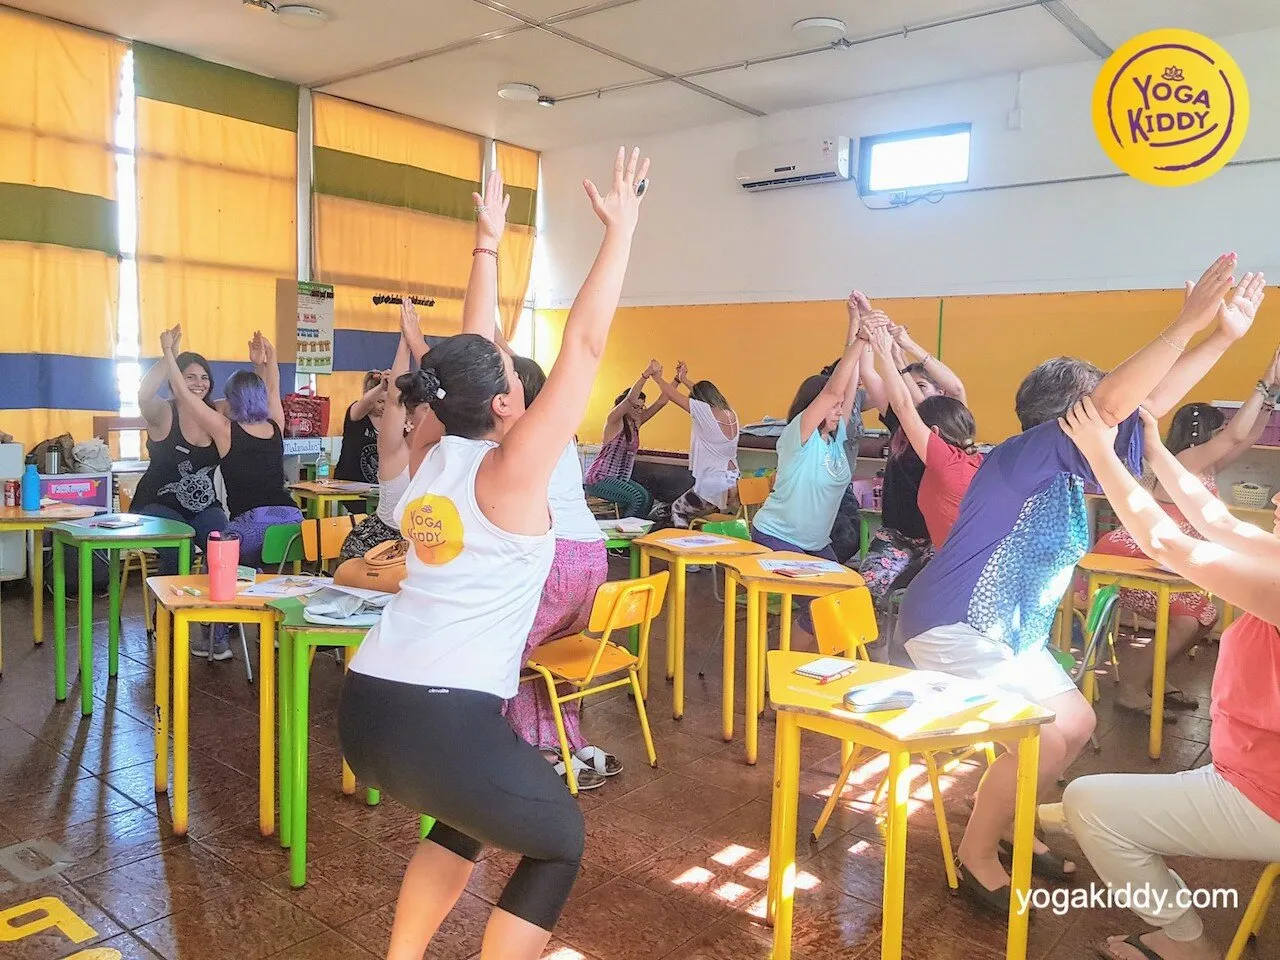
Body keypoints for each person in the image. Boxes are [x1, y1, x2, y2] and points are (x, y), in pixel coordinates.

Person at [337, 146, 650, 960]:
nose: (515, 367)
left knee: (466, 822)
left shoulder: (430, 460)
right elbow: (581, 347)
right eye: (513, 371)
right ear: (509, 402)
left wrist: (486, 242)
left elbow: (473, 351)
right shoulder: (514, 474)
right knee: (558, 840)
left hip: (368, 708)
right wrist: (620, 235)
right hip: (441, 718)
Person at [895, 254, 1259, 910]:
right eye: (1100, 404)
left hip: (1008, 635)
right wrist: (1185, 324)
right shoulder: (1023, 455)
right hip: (954, 624)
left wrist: (1222, 337)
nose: (1115, 417)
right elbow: (1124, 401)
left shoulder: (1073, 471)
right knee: (1042, 731)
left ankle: (1012, 826)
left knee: (1078, 719)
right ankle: (977, 854)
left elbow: (1145, 407)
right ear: (1068, 415)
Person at [1054, 397, 1280, 960]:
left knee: (1088, 802)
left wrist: (1100, 454)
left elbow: (1169, 543)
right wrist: (1153, 448)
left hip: (1265, 794)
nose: (1276, 499)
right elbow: (1216, 521)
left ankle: (1182, 941)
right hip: (1255, 770)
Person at [457, 170, 617, 791]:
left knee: (512, 655)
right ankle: (566, 742)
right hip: (592, 560)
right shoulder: (554, 427)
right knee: (556, 659)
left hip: (551, 560)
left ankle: (523, 751)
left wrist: (488, 245)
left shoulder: (508, 443)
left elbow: (483, 343)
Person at [1087, 345, 1280, 717]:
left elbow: (1245, 436)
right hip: (1137, 554)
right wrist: (1263, 383)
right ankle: (1130, 688)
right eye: (1219, 429)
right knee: (1190, 617)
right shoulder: (1187, 460)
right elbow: (1237, 433)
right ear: (1202, 434)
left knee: (1205, 617)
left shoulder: (1203, 462)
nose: (1227, 433)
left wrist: (1270, 396)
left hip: (1166, 556)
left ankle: (1154, 677)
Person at [162, 326, 304, 658]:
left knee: (214, 564)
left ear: (232, 400)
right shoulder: (274, 425)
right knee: (257, 567)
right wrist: (267, 361)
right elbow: (273, 388)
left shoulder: (226, 431)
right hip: (292, 522)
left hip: (252, 524)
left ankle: (218, 640)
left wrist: (168, 352)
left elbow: (183, 395)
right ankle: (277, 630)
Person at [856, 299, 969, 610]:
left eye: (922, 386)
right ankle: (869, 650)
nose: (910, 391)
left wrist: (899, 350)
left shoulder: (948, 433)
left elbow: (953, 389)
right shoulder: (900, 420)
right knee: (865, 593)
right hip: (897, 534)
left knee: (931, 601)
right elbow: (870, 374)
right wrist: (865, 323)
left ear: (940, 396)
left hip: (938, 540)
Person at [338, 300, 443, 563]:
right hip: (379, 546)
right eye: (426, 408)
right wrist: (406, 341)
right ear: (408, 416)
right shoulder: (395, 449)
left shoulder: (446, 450)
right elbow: (395, 393)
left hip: (422, 546)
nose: (434, 414)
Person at [868, 326, 982, 546]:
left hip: (950, 555)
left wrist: (884, 352)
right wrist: (902, 352)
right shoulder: (972, 459)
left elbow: (904, 406)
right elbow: (950, 392)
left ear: (935, 432)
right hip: (961, 550)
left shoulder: (943, 459)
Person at [129, 339, 227, 574]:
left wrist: (264, 364)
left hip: (203, 508)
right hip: (156, 505)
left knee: (223, 545)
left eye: (204, 377)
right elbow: (143, 394)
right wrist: (168, 354)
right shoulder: (164, 412)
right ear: (176, 379)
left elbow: (254, 400)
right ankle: (166, 611)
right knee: (179, 547)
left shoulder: (217, 412)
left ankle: (211, 605)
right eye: (190, 377)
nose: (199, 383)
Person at [652, 361, 740, 527]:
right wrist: (683, 379)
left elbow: (672, 395)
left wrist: (657, 378)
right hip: (733, 480)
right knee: (701, 515)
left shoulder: (705, 412)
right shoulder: (730, 413)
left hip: (714, 483)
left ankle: (684, 545)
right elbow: (703, 395)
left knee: (678, 508)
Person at [583, 362, 667, 518]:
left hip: (619, 479)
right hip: (599, 479)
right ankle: (626, 531)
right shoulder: (614, 421)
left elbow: (662, 402)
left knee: (647, 497)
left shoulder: (636, 422)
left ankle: (635, 531)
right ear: (627, 406)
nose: (639, 410)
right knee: (637, 497)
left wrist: (677, 379)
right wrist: (646, 374)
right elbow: (630, 399)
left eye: (641, 407)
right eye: (635, 407)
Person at [334, 369, 388, 483]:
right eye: (380, 402)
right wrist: (382, 386)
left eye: (387, 402)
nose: (384, 406)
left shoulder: (389, 420)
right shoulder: (356, 411)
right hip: (350, 482)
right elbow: (365, 403)